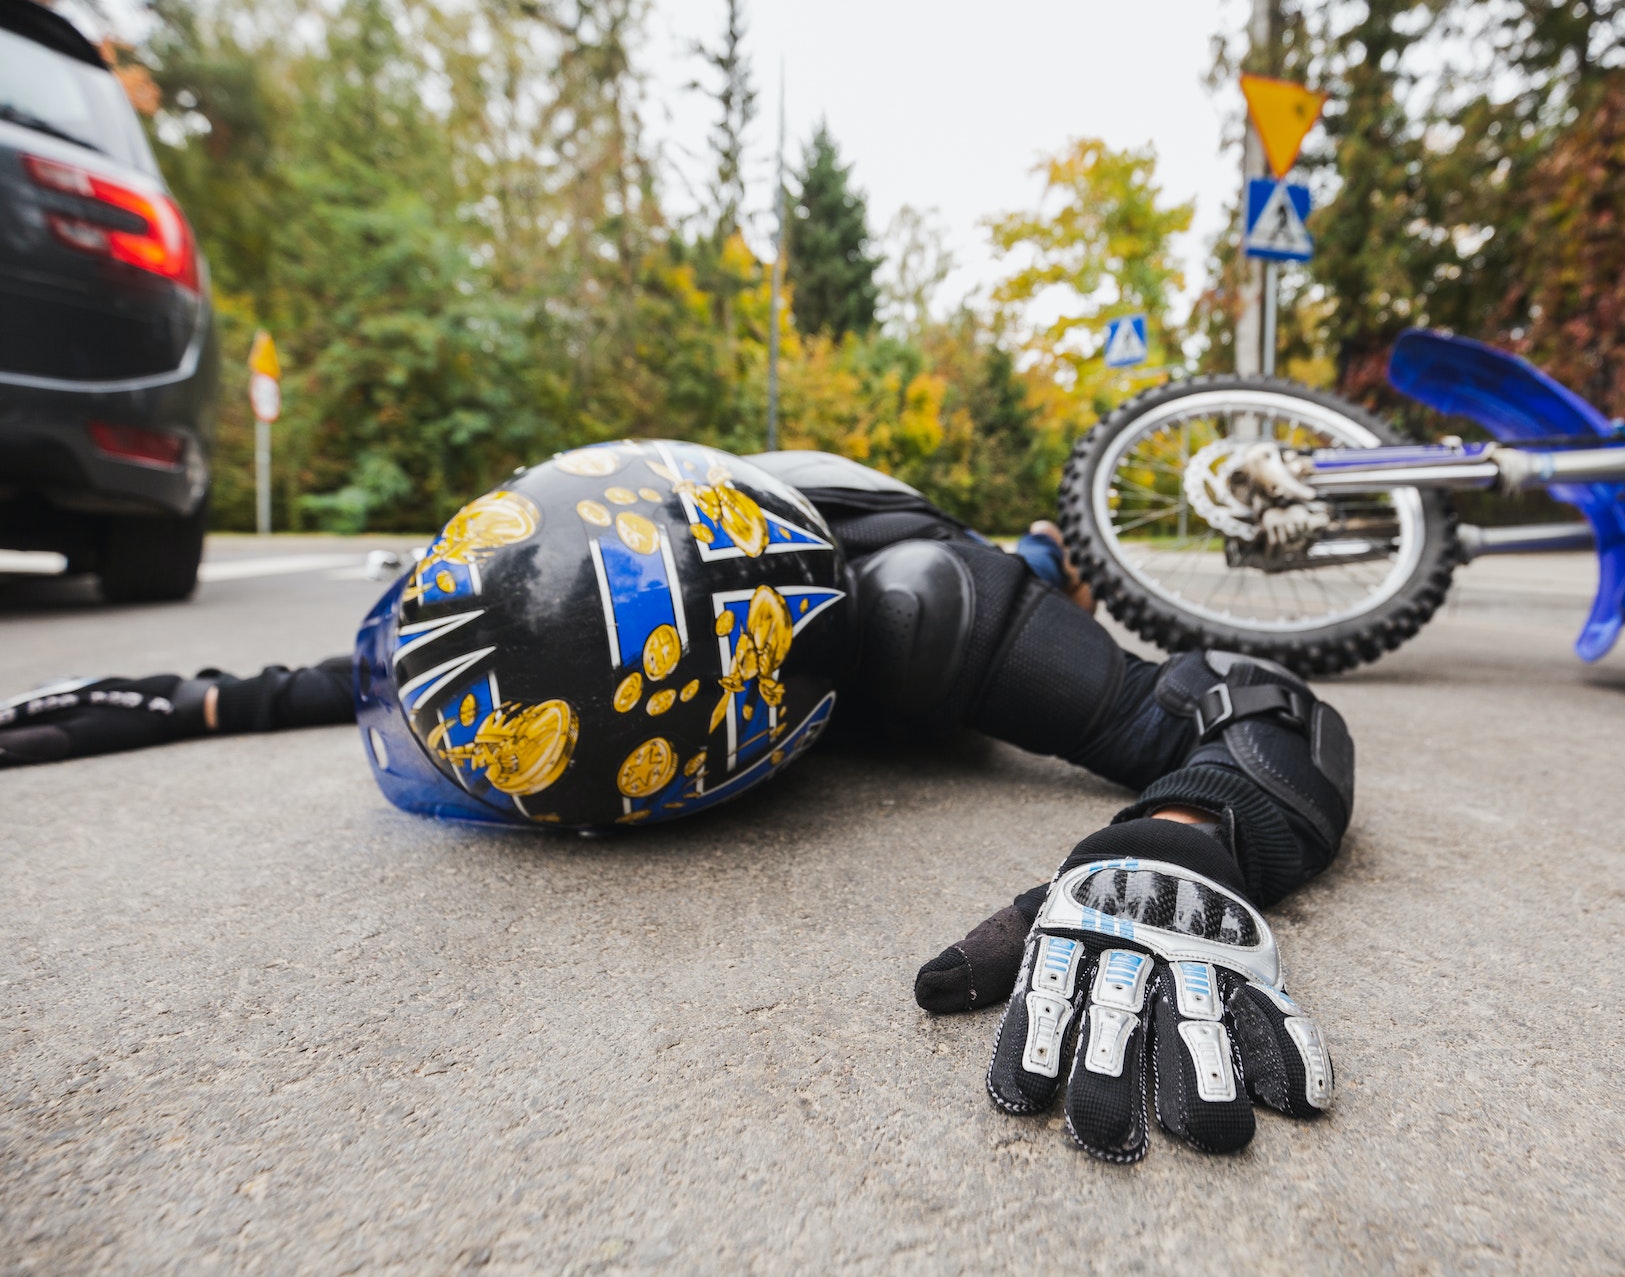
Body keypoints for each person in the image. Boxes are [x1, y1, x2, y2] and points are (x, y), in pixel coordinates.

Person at [0, 441, 1353, 1164]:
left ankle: (1049, 545)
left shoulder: (925, 621)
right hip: (751, 494)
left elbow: (1254, 710)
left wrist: (1180, 837)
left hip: (918, 554)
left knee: (1025, 569)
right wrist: (204, 696)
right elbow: (472, 645)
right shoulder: (574, 525)